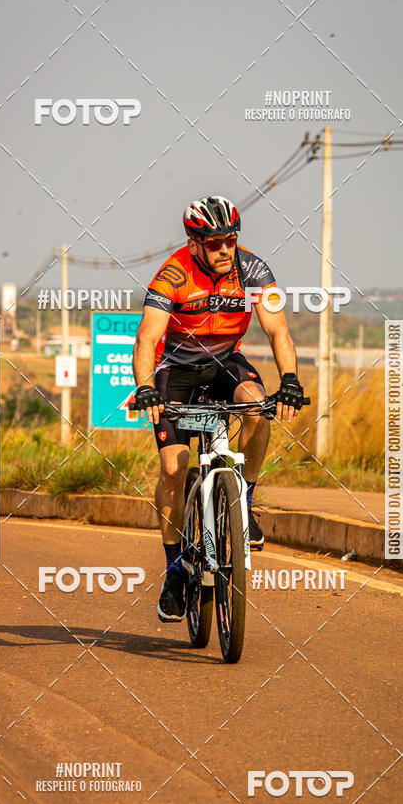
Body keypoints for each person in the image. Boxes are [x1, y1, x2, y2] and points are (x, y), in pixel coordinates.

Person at [132, 195, 304, 623]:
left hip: (226, 362)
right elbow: (147, 340)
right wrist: (145, 387)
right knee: (174, 468)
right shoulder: (173, 274)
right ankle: (174, 571)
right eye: (213, 243)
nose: (224, 249)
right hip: (177, 369)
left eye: (229, 240)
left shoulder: (255, 272)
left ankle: (243, 502)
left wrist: (290, 380)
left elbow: (278, 331)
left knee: (256, 407)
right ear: (194, 244)